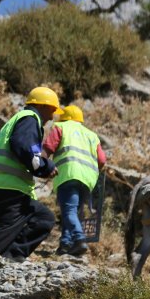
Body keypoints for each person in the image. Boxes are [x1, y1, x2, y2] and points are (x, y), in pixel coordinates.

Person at [0, 86, 61, 262]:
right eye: (52, 110)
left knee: (43, 218)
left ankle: (10, 258)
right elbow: (24, 148)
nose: (52, 117)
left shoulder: (18, 120)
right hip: (9, 189)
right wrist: (45, 167)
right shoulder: (30, 119)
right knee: (1, 238)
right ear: (42, 106)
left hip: (3, 187)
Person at [42, 104, 106, 256]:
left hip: (68, 175)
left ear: (65, 118)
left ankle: (79, 239)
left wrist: (40, 164)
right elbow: (102, 160)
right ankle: (65, 244)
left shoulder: (61, 127)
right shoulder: (92, 135)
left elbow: (47, 148)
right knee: (72, 212)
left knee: (69, 211)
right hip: (87, 179)